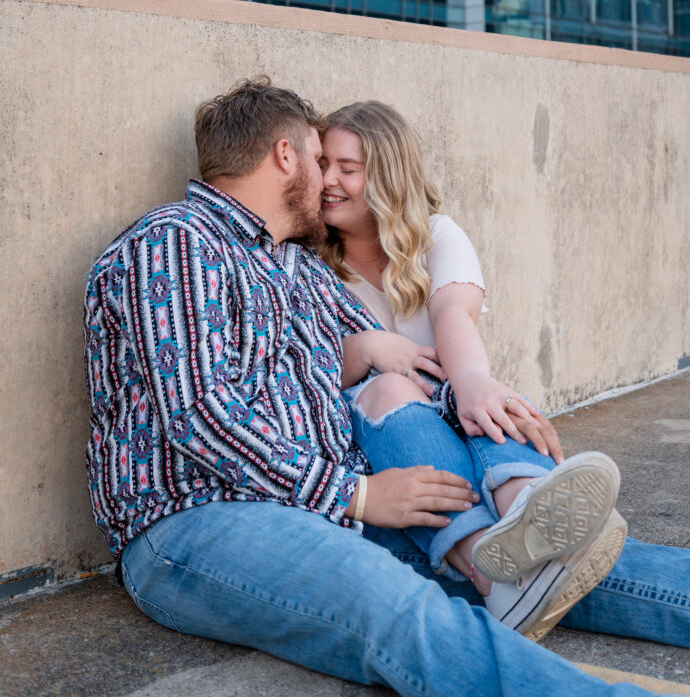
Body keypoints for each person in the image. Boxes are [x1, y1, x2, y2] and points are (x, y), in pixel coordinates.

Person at [84, 79, 687, 697]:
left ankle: (510, 536)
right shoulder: (178, 242)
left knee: (566, 567)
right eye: (322, 161)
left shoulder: (295, 268)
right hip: (200, 522)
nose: (326, 182)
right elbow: (201, 416)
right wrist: (358, 494)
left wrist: (485, 411)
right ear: (287, 157)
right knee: (408, 615)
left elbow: (401, 368)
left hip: (326, 504)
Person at [319, 98, 690, 647]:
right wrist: (371, 347)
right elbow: (314, 367)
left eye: (346, 169)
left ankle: (526, 517)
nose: (327, 180)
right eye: (322, 164)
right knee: (394, 386)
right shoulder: (310, 264)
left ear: (388, 177)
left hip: (458, 434)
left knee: (472, 392)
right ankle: (509, 554)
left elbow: (453, 314)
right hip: (389, 450)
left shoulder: (437, 236)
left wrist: (474, 383)